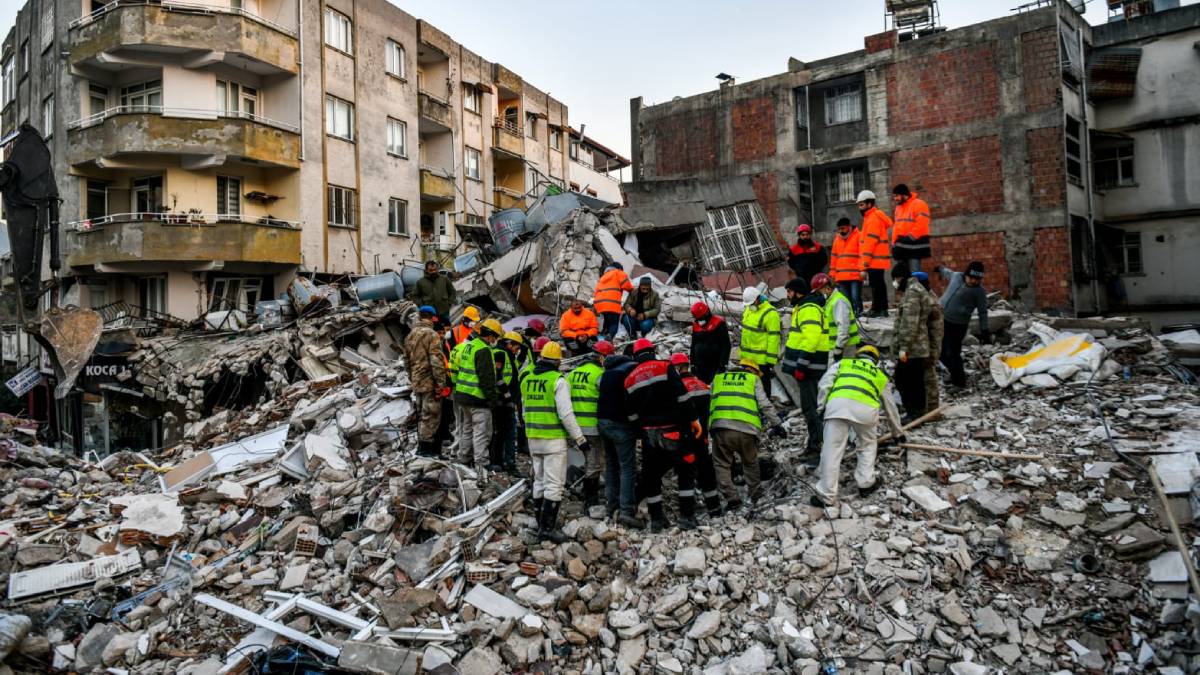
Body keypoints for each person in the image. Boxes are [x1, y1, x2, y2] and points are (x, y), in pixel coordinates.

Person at [809, 345, 905, 507]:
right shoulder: (879, 375)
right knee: (867, 445)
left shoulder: (843, 364)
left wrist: (821, 406)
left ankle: (826, 495)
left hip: (838, 406)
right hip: (866, 411)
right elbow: (890, 406)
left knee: (831, 450)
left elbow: (824, 384)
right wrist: (897, 432)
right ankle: (866, 484)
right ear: (875, 361)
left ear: (858, 356)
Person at [624, 338, 703, 532]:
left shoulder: (629, 378)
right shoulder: (664, 367)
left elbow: (631, 413)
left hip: (649, 435)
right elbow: (682, 396)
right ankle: (687, 517)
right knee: (685, 471)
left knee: (651, 478)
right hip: (675, 429)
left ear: (635, 356)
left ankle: (657, 520)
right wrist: (693, 419)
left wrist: (640, 433)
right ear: (653, 350)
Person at [520, 340, 589, 543]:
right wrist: (580, 438)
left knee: (539, 480)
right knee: (554, 484)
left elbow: (524, 411)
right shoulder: (558, 380)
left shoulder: (527, 378)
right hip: (553, 440)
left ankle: (540, 523)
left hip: (533, 437)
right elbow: (566, 414)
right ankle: (547, 529)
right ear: (558, 361)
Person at [709, 359, 784, 511]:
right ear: (754, 371)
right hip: (746, 429)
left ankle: (732, 499)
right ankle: (756, 496)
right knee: (750, 463)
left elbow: (710, 401)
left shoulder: (718, 378)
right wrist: (777, 424)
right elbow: (764, 404)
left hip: (721, 428)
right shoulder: (752, 379)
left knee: (722, 465)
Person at [671, 353, 724, 518]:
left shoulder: (677, 387)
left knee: (686, 474)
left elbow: (676, 416)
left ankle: (687, 514)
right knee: (706, 471)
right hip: (703, 437)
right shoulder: (702, 385)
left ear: (678, 368)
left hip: (685, 438)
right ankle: (714, 508)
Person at [597, 344, 641, 528]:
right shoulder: (630, 370)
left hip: (603, 422)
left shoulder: (608, 371)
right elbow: (632, 399)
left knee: (611, 465)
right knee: (627, 468)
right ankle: (626, 511)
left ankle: (610, 508)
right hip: (620, 425)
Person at [781, 277, 827, 455]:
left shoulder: (808, 309)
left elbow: (811, 339)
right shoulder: (804, 308)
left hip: (808, 369)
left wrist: (801, 365)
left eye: (789, 292)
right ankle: (818, 441)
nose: (788, 295)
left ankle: (817, 445)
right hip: (808, 367)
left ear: (798, 292)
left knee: (810, 407)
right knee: (812, 406)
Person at [454, 318, 503, 472]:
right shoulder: (484, 350)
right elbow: (486, 378)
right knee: (482, 432)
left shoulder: (469, 346)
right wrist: (493, 400)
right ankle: (481, 463)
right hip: (478, 399)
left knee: (467, 429)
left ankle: (464, 458)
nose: (495, 341)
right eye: (495, 337)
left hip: (463, 396)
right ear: (491, 335)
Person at [569, 340, 612, 507]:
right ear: (602, 358)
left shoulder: (573, 373)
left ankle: (585, 492)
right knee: (594, 462)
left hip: (574, 427)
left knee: (586, 460)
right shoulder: (600, 374)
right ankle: (591, 499)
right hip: (592, 427)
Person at [403, 306, 449, 458]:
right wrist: (441, 383)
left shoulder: (410, 335)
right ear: (433, 318)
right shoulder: (432, 334)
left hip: (418, 382)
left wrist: (413, 378)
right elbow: (436, 360)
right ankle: (426, 450)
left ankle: (424, 448)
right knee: (431, 415)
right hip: (430, 381)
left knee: (423, 414)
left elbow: (406, 361)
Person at [936, 262, 990, 388]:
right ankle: (955, 373)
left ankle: (959, 381)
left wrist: (985, 331)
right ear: (966, 275)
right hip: (942, 319)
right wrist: (940, 269)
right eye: (971, 278)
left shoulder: (979, 292)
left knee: (952, 353)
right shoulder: (956, 276)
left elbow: (983, 312)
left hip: (958, 326)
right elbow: (947, 272)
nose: (973, 281)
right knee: (940, 351)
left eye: (977, 279)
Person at [892, 267, 933, 421]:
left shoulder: (912, 293)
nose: (895, 283)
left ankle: (914, 412)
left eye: (896, 280)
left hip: (912, 349)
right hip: (915, 347)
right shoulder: (914, 289)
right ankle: (916, 411)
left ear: (901, 278)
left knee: (907, 380)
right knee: (912, 379)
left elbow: (910, 323)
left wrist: (904, 348)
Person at [489, 331, 524, 473]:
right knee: (506, 433)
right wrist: (508, 395)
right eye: (516, 347)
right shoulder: (500, 353)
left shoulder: (508, 355)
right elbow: (497, 376)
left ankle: (500, 461)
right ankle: (507, 463)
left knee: (503, 432)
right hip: (502, 401)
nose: (517, 350)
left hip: (505, 401)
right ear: (510, 344)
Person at [739, 287, 781, 400]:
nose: (750, 305)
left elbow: (774, 338)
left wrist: (771, 361)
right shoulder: (749, 309)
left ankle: (766, 408)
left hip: (761, 360)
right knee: (748, 386)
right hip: (747, 358)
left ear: (758, 299)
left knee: (763, 387)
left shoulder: (770, 313)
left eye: (752, 303)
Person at [857, 190, 894, 317]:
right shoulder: (873, 217)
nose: (859, 208)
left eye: (861, 204)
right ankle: (881, 309)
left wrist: (864, 264)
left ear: (869, 204)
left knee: (876, 286)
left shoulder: (872, 219)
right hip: (878, 259)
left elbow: (869, 243)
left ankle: (878, 309)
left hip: (874, 259)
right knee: (879, 285)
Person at [816, 272, 860, 361]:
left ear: (827, 288)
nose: (819, 294)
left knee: (844, 373)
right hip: (836, 347)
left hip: (843, 348)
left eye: (819, 291)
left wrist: (838, 348)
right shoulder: (830, 301)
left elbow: (843, 327)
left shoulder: (839, 301)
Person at [891, 184, 932, 274]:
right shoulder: (898, 208)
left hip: (914, 246)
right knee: (902, 276)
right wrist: (894, 244)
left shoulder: (919, 204)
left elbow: (922, 224)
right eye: (894, 196)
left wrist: (910, 237)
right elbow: (896, 227)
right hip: (901, 246)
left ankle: (916, 288)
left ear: (904, 194)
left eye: (896, 196)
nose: (895, 199)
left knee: (915, 274)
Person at [689, 301, 731, 385]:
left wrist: (723, 365)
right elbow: (693, 344)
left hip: (715, 366)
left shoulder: (718, 323)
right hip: (700, 366)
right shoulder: (696, 325)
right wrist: (692, 363)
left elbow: (726, 345)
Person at [920, 273, 944, 414]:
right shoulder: (928, 297)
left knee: (929, 377)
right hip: (930, 343)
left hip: (931, 344)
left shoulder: (930, 301)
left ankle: (932, 410)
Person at [830, 217, 863, 316]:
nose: (841, 231)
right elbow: (834, 258)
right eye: (839, 229)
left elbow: (862, 254)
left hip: (855, 275)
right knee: (845, 299)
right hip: (841, 276)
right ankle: (850, 316)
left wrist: (863, 270)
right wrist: (832, 274)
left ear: (849, 226)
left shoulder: (858, 236)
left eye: (843, 228)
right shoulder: (837, 239)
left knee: (855, 298)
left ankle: (858, 314)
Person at [594, 263, 634, 340]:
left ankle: (601, 338)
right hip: (612, 303)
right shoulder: (619, 272)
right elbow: (626, 285)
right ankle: (609, 339)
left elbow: (596, 291)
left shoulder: (603, 277)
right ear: (619, 268)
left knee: (607, 321)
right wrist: (632, 290)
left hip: (600, 303)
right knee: (614, 324)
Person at [786, 224, 829, 291]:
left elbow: (824, 260)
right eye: (803, 235)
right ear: (799, 235)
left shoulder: (818, 247)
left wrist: (817, 269)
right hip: (801, 279)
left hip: (816, 277)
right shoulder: (793, 249)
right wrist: (798, 270)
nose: (805, 236)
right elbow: (790, 262)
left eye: (807, 234)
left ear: (810, 235)